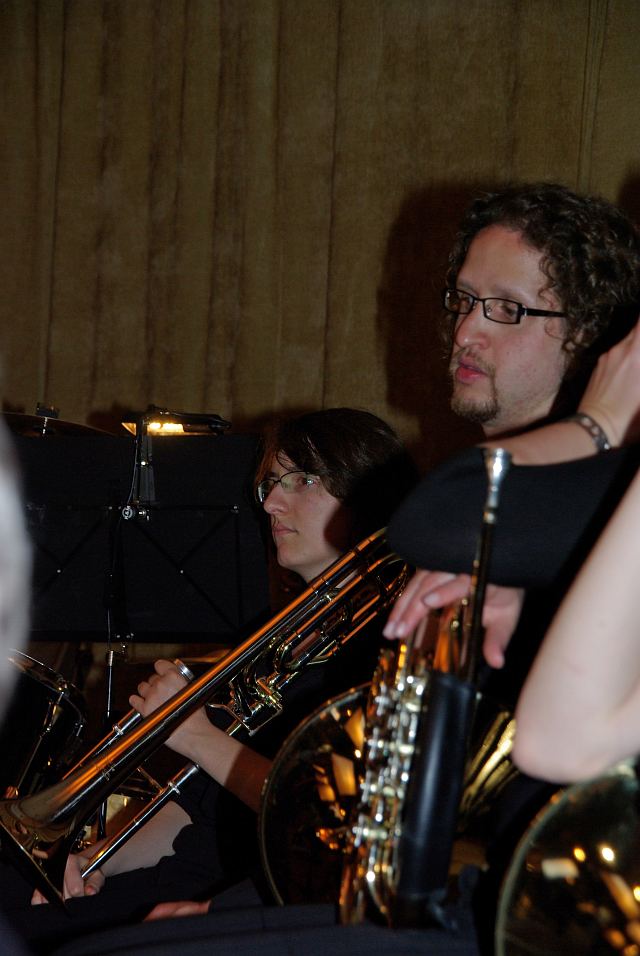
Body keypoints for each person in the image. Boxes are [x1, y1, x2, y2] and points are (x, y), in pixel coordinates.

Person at [0, 407, 417, 952]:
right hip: (179, 876)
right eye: (271, 483)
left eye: (302, 481)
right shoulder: (272, 638)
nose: (270, 503)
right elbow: (194, 809)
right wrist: (99, 860)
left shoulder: (386, 649)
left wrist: (193, 733)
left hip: (248, 900)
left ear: (367, 492)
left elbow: (319, 813)